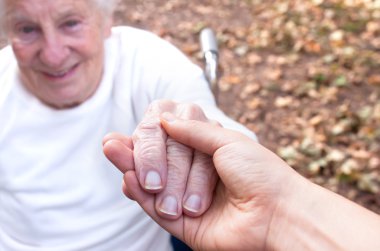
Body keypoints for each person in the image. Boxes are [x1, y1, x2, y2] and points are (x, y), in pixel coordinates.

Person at [0, 0, 256, 250]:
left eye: (71, 23)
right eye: (27, 29)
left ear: (106, 21)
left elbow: (224, 131)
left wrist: (203, 136)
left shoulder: (147, 62)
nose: (53, 55)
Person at [104, 112, 380, 251]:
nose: (57, 55)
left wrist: (278, 210)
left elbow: (197, 101)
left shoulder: (140, 53)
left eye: (71, 23)